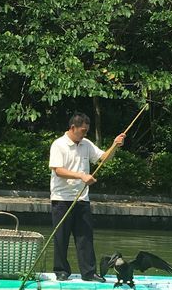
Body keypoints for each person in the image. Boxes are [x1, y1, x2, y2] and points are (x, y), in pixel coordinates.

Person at [49, 112, 125, 281]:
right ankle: (61, 271)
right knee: (61, 236)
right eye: (82, 131)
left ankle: (89, 273)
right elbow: (58, 170)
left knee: (85, 236)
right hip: (61, 199)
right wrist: (81, 176)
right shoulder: (58, 144)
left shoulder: (86, 144)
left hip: (82, 199)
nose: (84, 134)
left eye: (86, 131)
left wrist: (114, 145)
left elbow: (103, 159)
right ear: (72, 128)